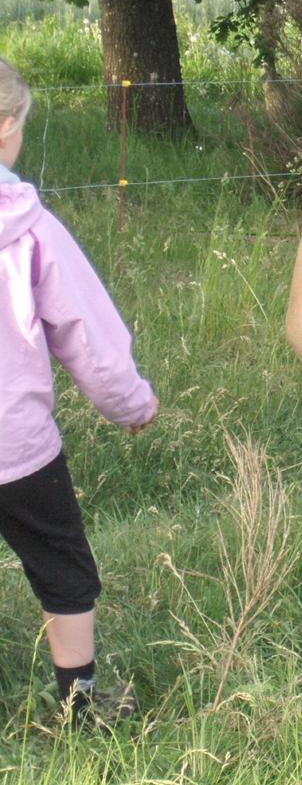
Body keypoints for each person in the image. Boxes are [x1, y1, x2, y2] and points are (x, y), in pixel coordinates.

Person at [0, 57, 159, 728]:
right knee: (61, 562)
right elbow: (85, 334)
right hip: (16, 446)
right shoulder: (27, 227)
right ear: (4, 126)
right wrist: (131, 404)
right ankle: (80, 703)